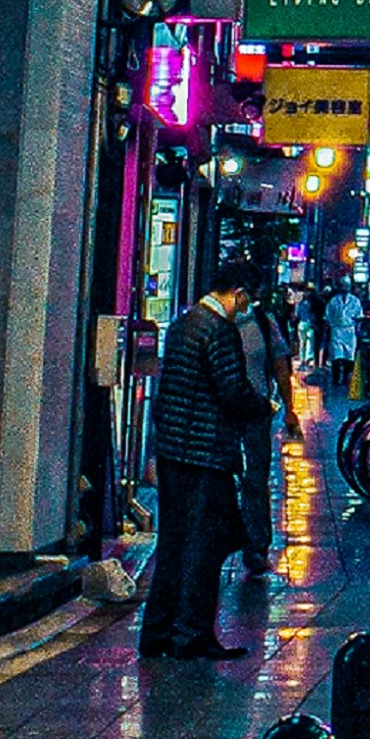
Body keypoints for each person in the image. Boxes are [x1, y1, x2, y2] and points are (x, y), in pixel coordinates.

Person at [142, 273, 275, 659]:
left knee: (172, 543)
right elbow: (232, 391)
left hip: (174, 452)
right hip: (206, 453)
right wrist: (264, 407)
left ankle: (158, 632)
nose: (247, 308)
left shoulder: (184, 323)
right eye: (247, 299)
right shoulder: (219, 330)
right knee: (206, 545)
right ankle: (192, 633)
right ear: (238, 292)